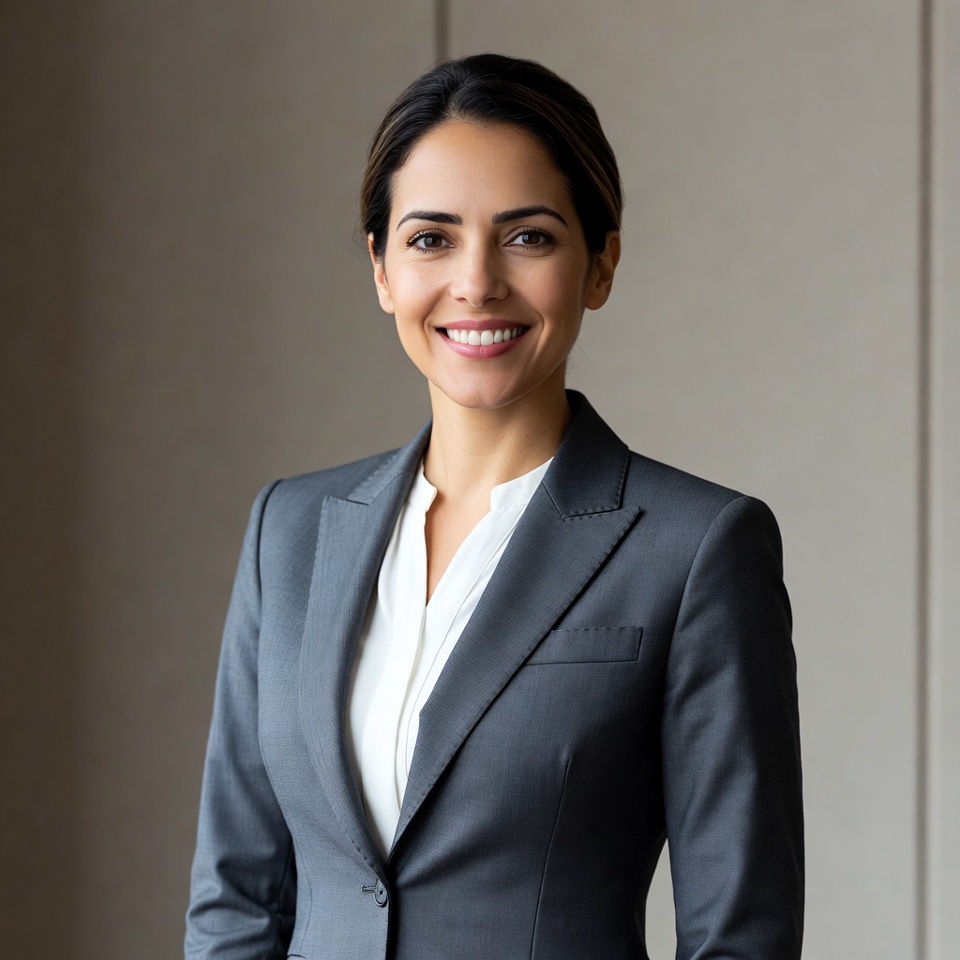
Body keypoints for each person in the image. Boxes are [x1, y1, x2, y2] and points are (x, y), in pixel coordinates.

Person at [185, 53, 803, 960]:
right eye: (431, 238)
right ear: (382, 269)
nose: (476, 283)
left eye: (529, 237)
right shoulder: (291, 531)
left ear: (600, 264)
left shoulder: (696, 549)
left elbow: (739, 935)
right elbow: (236, 899)